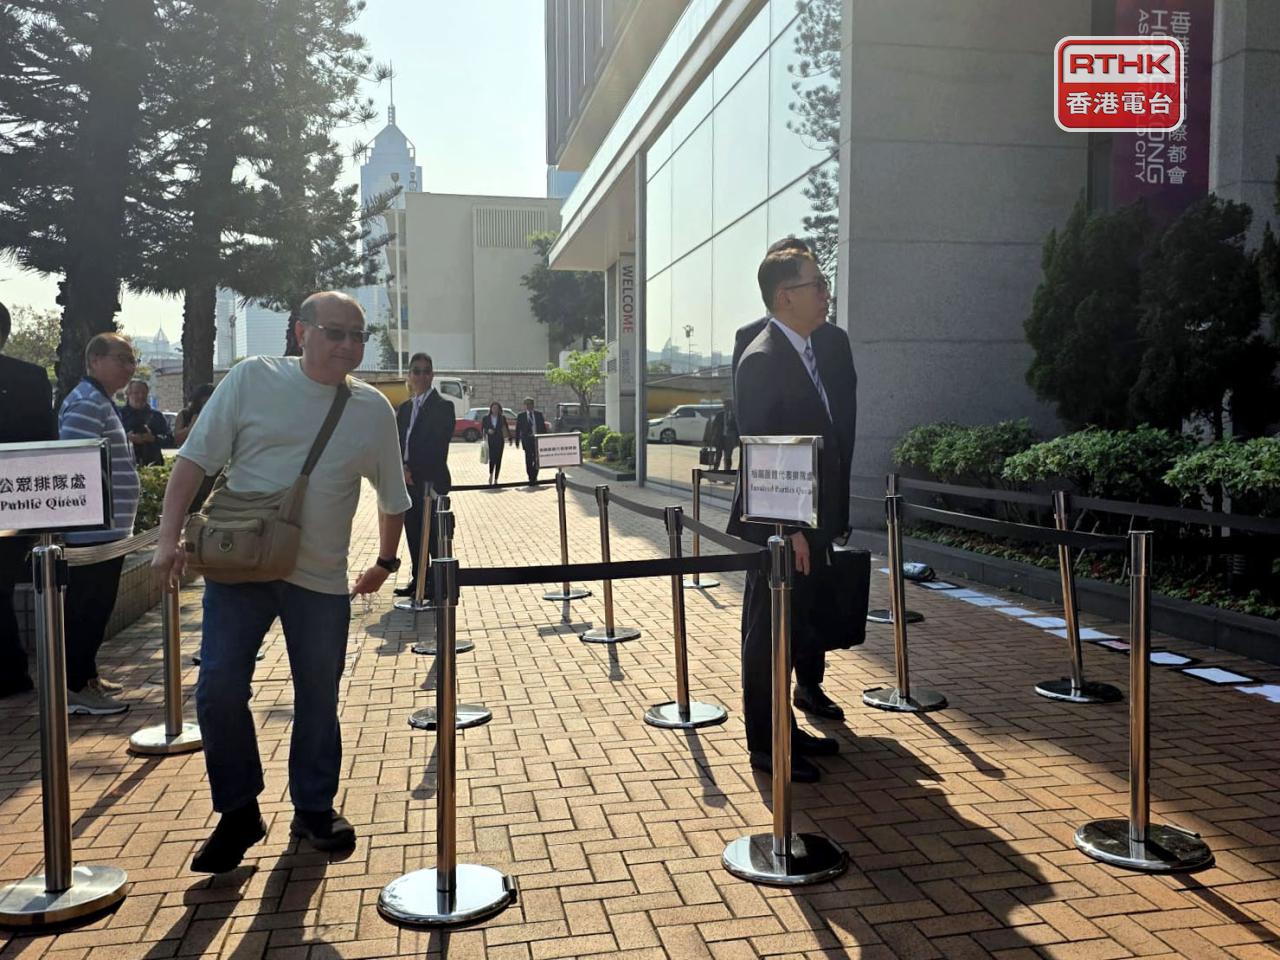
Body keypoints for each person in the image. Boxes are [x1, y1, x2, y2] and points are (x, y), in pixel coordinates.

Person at [151, 291, 411, 873]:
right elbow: (193, 461)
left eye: (357, 336)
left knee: (318, 695)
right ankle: (239, 810)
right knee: (217, 688)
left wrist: (386, 561)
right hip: (239, 567)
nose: (347, 345)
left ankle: (314, 807)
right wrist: (167, 540)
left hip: (319, 580)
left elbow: (393, 496)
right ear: (300, 332)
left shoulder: (371, 409)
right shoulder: (251, 380)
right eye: (335, 332)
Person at [726, 245, 857, 783]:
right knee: (768, 634)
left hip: (809, 522)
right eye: (816, 284)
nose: (826, 293)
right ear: (786, 296)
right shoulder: (763, 358)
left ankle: (786, 726)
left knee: (794, 628)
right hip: (780, 531)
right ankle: (766, 743)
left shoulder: (807, 349)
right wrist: (790, 529)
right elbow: (764, 454)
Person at [58, 332, 143, 715]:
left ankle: (85, 674)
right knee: (86, 607)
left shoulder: (98, 401)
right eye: (121, 358)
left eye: (132, 360)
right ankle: (75, 686)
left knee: (96, 606)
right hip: (92, 530)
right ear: (94, 359)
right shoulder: (86, 403)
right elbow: (76, 468)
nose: (128, 367)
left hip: (106, 529)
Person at [0, 301, 57, 699]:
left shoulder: (28, 379)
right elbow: (46, 445)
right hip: (20, 502)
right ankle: (12, 671)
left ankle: (12, 672)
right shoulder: (32, 379)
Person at [395, 353, 454, 599]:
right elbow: (396, 442)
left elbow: (437, 447)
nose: (421, 375)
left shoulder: (443, 407)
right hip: (407, 481)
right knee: (413, 533)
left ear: (432, 375)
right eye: (416, 371)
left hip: (430, 482)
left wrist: (414, 472)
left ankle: (434, 583)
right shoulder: (405, 408)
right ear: (409, 375)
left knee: (432, 536)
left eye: (426, 371)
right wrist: (402, 469)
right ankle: (418, 578)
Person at [119, 378, 172, 467]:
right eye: (136, 393)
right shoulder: (119, 415)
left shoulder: (156, 416)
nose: (141, 396)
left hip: (153, 465)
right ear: (128, 394)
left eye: (144, 393)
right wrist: (126, 438)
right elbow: (108, 439)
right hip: (126, 466)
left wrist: (153, 438)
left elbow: (170, 440)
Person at [514, 397, 547, 484]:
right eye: (527, 405)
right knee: (528, 459)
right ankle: (530, 476)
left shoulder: (538, 415)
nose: (529, 406)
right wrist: (517, 441)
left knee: (537, 459)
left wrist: (545, 440)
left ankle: (535, 476)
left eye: (530, 404)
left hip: (536, 439)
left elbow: (543, 428)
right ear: (525, 406)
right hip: (527, 440)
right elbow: (518, 429)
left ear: (533, 405)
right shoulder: (521, 416)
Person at [482, 400, 510, 486]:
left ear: (499, 409)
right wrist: (488, 431)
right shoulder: (486, 418)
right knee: (492, 459)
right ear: (491, 409)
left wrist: (510, 438)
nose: (495, 410)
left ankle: (496, 478)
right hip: (490, 441)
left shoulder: (502, 418)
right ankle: (491, 474)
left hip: (500, 441)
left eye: (497, 408)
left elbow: (506, 428)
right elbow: (483, 429)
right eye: (493, 408)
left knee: (498, 459)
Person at [719, 399, 739, 471]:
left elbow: (737, 428)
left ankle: (727, 471)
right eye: (725, 405)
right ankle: (715, 473)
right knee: (718, 455)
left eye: (728, 405)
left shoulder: (735, 415)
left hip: (730, 438)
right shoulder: (720, 414)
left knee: (727, 456)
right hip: (720, 438)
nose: (726, 407)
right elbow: (715, 426)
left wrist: (736, 440)